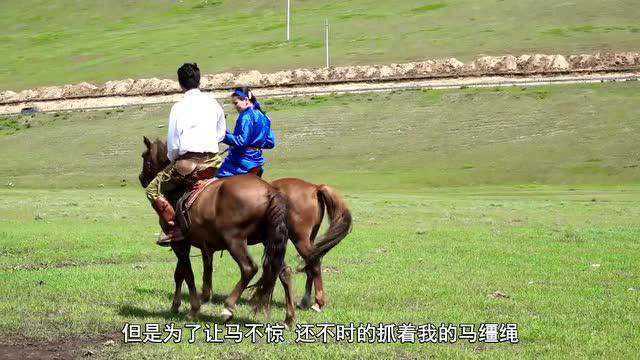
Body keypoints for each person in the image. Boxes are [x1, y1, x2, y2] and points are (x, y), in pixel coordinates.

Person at [145, 63, 226, 246]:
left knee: (152, 189)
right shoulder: (214, 103)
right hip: (214, 161)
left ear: (180, 84)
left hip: (189, 163)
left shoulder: (178, 107)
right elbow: (221, 133)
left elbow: (173, 144)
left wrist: (173, 159)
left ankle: (175, 229)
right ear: (199, 80)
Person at [216, 87, 275, 179]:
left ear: (246, 100)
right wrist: (254, 145)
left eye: (236, 103)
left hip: (241, 162)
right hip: (257, 161)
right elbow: (270, 143)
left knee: (215, 179)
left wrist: (223, 136)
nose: (235, 107)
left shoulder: (246, 117)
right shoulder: (264, 116)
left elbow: (242, 141)